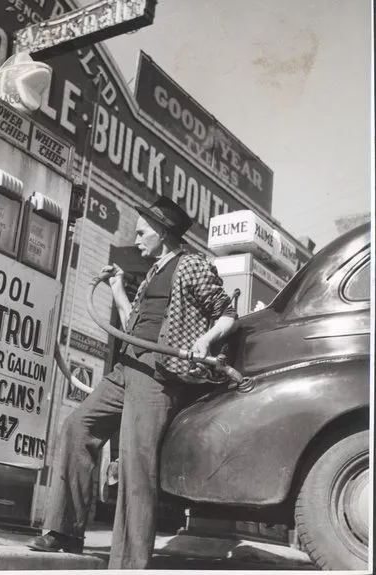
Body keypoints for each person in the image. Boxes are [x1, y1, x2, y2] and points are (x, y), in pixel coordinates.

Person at [28, 196, 237, 569]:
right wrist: (119, 288)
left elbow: (226, 313)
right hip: (127, 367)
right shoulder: (154, 272)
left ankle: (127, 563)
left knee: (134, 465)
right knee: (78, 427)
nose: (137, 238)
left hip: (159, 374)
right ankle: (64, 530)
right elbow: (132, 328)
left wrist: (205, 341)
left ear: (162, 232)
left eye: (143, 232)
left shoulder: (191, 266)